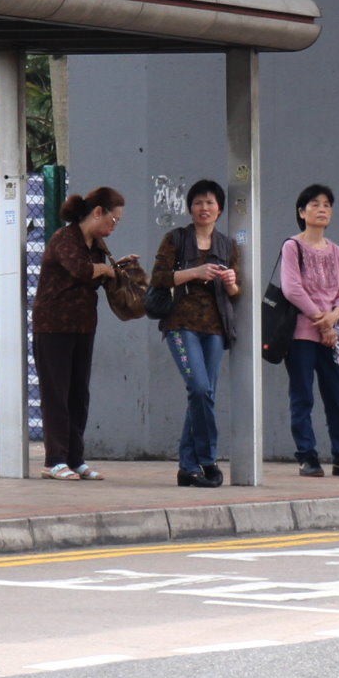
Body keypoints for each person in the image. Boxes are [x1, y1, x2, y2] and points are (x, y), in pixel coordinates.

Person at [33, 185, 135, 480]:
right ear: (98, 212)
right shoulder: (65, 238)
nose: (113, 227)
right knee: (56, 394)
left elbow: (98, 274)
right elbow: (80, 270)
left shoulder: (98, 247)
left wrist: (119, 268)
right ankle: (54, 459)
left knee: (79, 394)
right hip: (53, 326)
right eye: (113, 220)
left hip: (83, 326)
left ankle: (75, 458)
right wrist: (105, 270)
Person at [150, 178, 241, 488]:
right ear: (190, 208)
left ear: (220, 210)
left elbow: (237, 291)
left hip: (215, 327)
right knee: (200, 388)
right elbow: (159, 277)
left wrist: (230, 282)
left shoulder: (228, 245)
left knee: (203, 394)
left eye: (210, 203)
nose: (204, 208)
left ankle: (188, 468)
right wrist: (195, 272)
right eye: (199, 202)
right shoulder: (175, 239)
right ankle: (207, 460)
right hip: (180, 324)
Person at [279, 183, 339, 478]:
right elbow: (292, 289)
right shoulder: (292, 246)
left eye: (327, 205)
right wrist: (322, 321)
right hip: (301, 335)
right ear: (301, 212)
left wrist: (334, 317)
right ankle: (307, 456)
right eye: (315, 204)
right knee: (303, 396)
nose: (322, 209)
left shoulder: (338, 252)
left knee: (338, 395)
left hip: (331, 334)